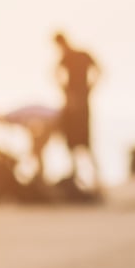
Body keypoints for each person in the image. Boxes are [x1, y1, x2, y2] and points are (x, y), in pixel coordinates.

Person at [52, 32, 100, 189]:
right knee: (72, 145)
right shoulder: (66, 58)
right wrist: (66, 92)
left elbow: (99, 70)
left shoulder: (79, 55)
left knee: (85, 144)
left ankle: (95, 180)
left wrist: (89, 88)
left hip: (80, 107)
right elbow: (55, 75)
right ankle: (77, 179)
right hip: (73, 106)